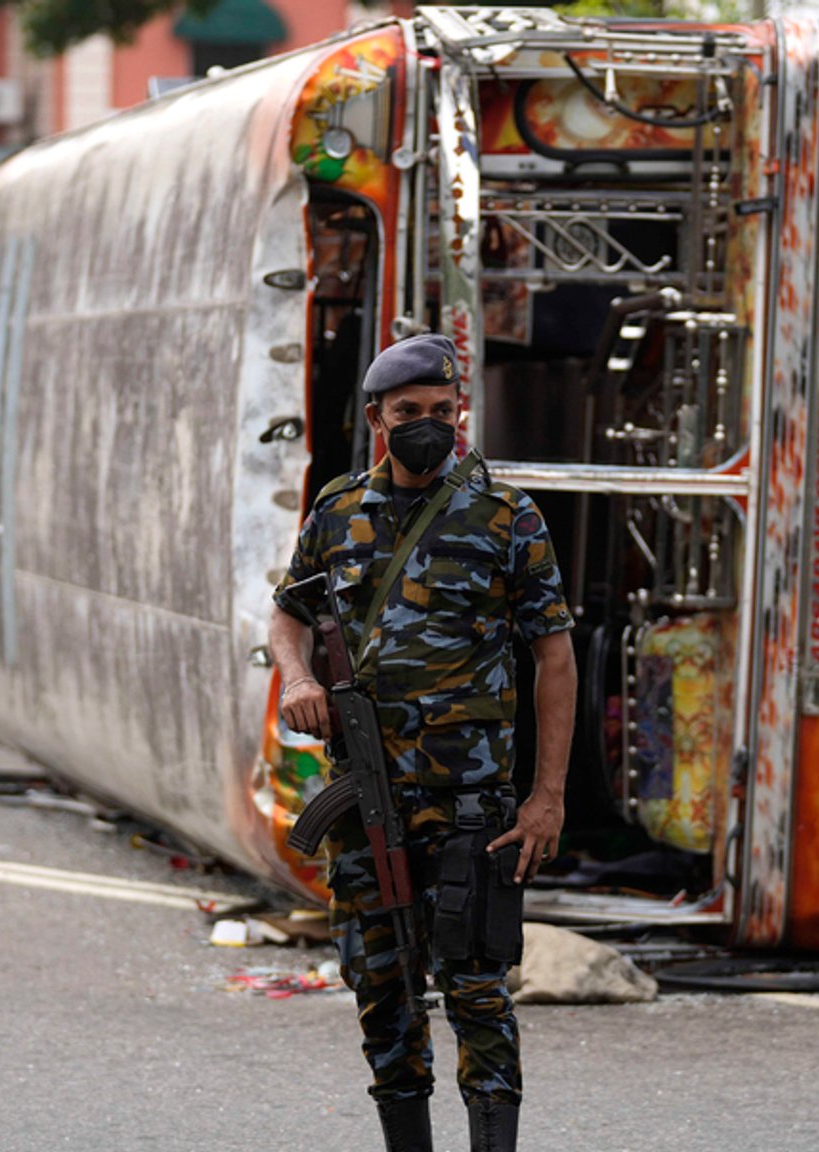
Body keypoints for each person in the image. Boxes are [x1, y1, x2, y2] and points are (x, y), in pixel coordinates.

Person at [269, 334, 578, 1152]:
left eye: (444, 412)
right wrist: (298, 680)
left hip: (473, 803)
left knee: (478, 992)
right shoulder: (338, 512)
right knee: (382, 992)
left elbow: (554, 656)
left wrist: (546, 796)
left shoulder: (506, 516)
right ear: (378, 419)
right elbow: (287, 614)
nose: (430, 427)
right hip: (368, 800)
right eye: (411, 414)